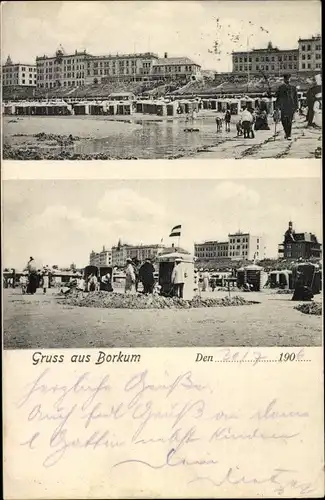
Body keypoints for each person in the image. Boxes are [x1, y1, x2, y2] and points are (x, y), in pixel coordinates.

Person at [275, 74, 298, 140]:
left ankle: (289, 134)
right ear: (284, 80)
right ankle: (286, 133)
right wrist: (277, 106)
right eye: (286, 79)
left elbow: (296, 98)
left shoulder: (293, 88)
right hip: (283, 107)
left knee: (289, 121)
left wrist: (296, 107)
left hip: (291, 106)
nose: (287, 80)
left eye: (288, 79)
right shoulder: (281, 88)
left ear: (290, 79)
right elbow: (278, 97)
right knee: (283, 120)